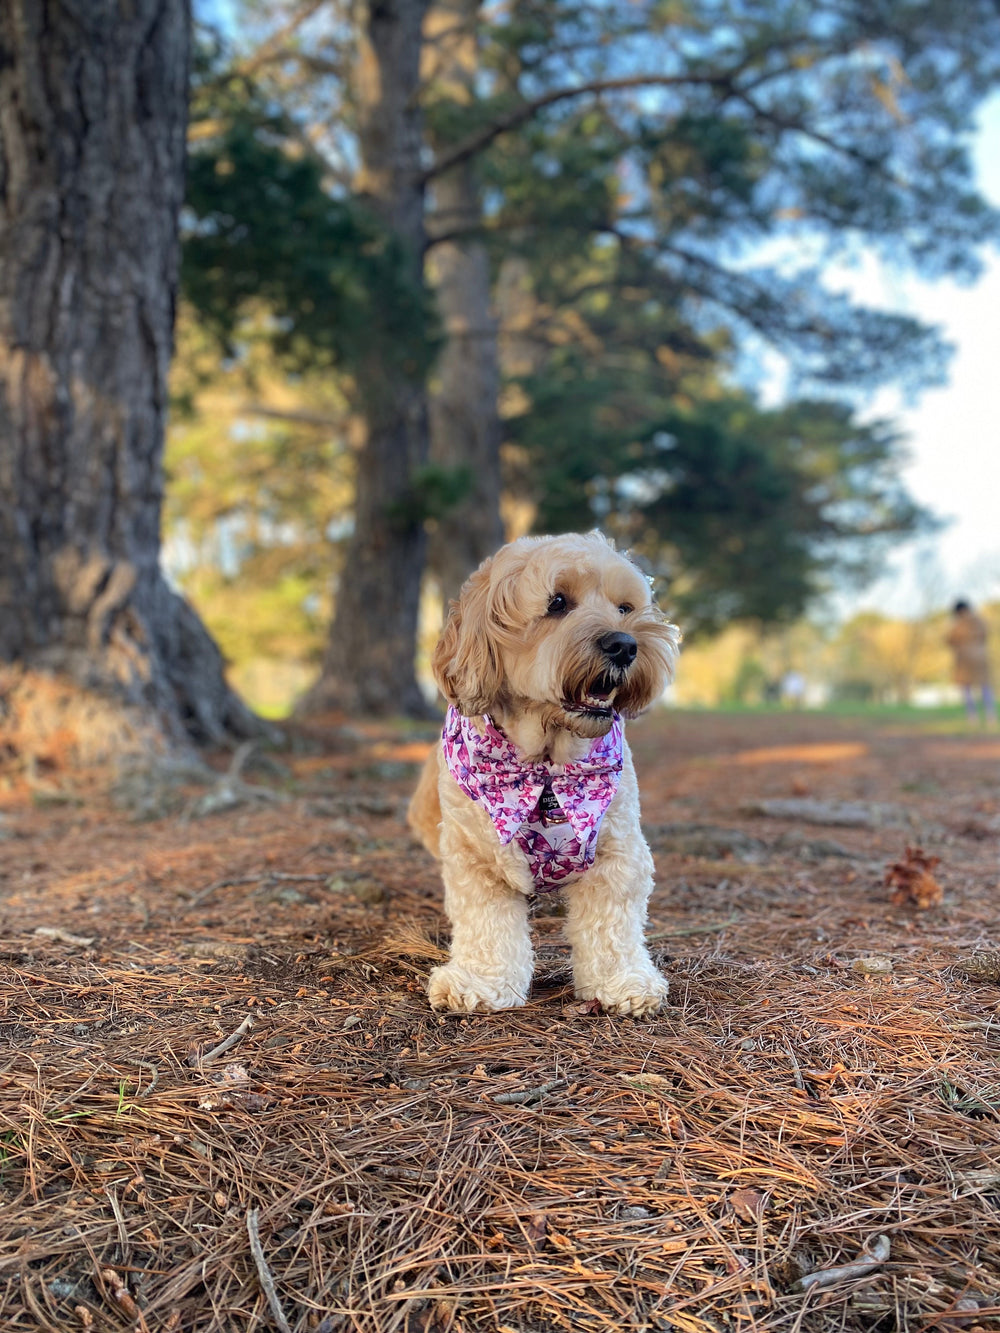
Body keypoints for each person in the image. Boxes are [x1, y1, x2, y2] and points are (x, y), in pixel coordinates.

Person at [945, 600, 997, 728]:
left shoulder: (957, 624)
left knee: (967, 689)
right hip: (981, 655)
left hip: (964, 659)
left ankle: (972, 717)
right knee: (985, 687)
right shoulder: (980, 620)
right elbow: (986, 634)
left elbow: (950, 640)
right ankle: (991, 716)